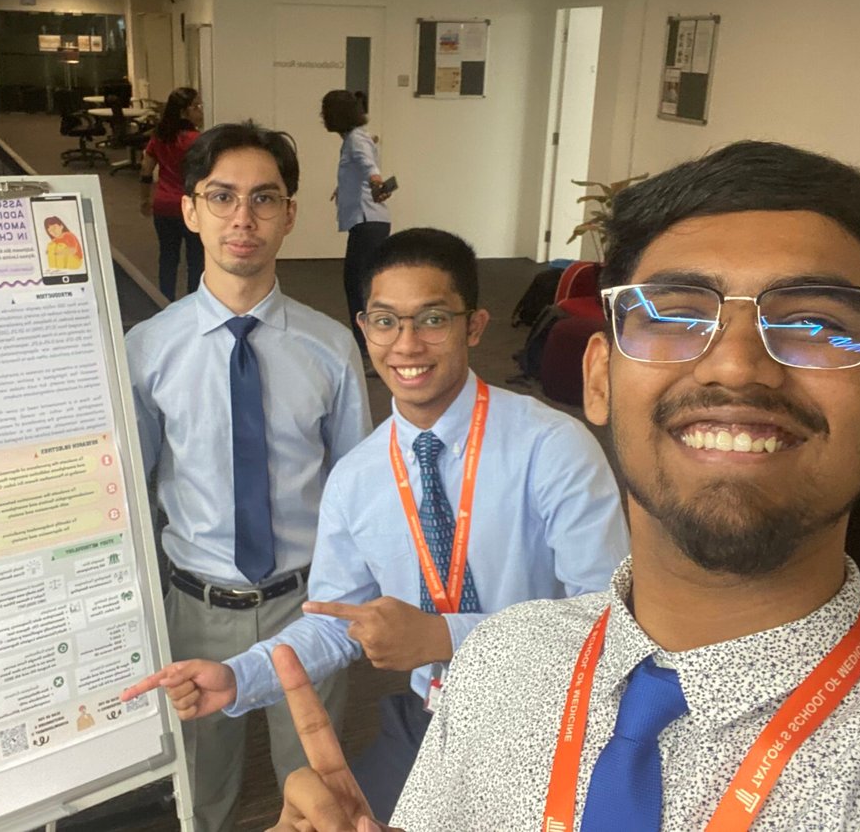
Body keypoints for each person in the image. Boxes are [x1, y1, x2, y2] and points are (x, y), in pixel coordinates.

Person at [264, 141, 860, 831]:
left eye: (814, 322)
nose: (735, 365)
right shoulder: (500, 661)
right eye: (674, 314)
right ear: (600, 379)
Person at [122, 228, 629, 821]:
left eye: (432, 319)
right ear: (365, 330)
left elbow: (609, 618)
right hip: (430, 718)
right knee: (330, 820)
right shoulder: (358, 477)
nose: (406, 344)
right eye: (386, 322)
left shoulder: (551, 448)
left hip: (552, 715)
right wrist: (238, 677)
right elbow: (335, 622)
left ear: (474, 326)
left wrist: (444, 637)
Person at [125, 120, 372, 832]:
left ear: (289, 215)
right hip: (195, 607)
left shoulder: (330, 348)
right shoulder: (149, 349)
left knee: (317, 788)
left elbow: (356, 495)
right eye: (222, 196)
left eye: (264, 199)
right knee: (201, 795)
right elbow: (134, 492)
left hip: (308, 606)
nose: (243, 218)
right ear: (189, 210)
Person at [321, 89, 392, 361]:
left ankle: (369, 349)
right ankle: (372, 346)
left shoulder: (355, 139)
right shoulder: (355, 137)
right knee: (362, 286)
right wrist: (343, 188)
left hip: (368, 222)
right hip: (370, 223)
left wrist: (376, 181)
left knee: (358, 287)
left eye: (325, 111)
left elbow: (366, 163)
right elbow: (358, 168)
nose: (322, 116)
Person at [141, 87, 206, 299]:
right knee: (196, 260)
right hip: (192, 208)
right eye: (196, 107)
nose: (200, 111)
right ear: (183, 112)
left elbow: (146, 170)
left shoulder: (159, 137)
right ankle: (193, 303)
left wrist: (145, 199)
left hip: (164, 206)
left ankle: (164, 301)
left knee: (168, 258)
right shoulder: (198, 141)